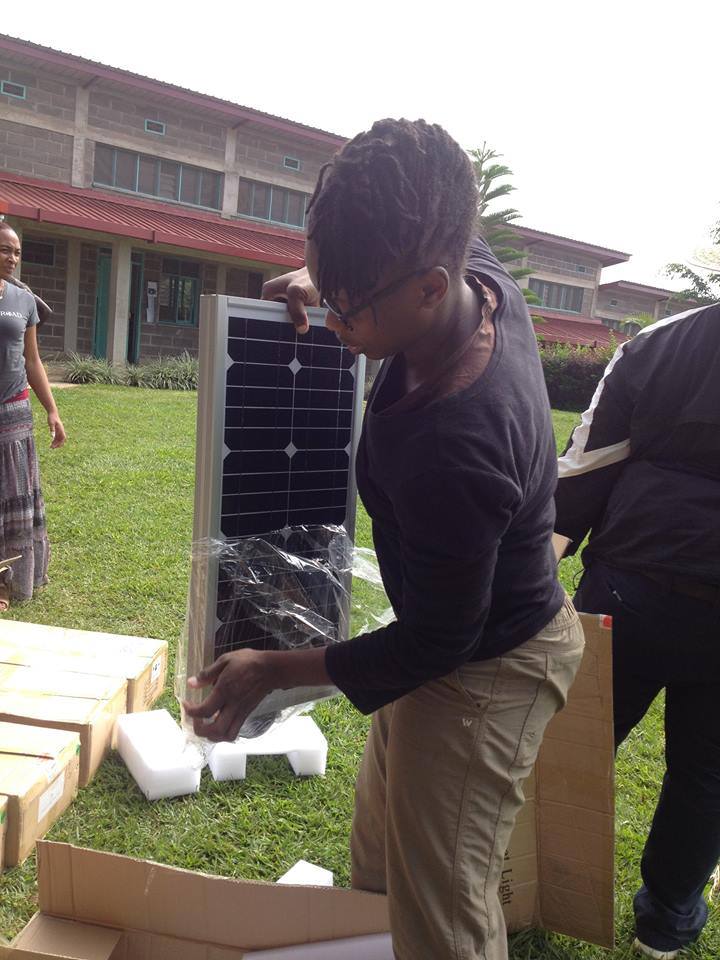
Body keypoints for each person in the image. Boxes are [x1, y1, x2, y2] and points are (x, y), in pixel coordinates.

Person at [185, 119, 585, 960]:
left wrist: (278, 669)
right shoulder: (468, 272)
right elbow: (417, 242)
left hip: (493, 666)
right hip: (443, 638)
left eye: (349, 306)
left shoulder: (456, 444)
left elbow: (443, 639)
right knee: (380, 865)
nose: (333, 322)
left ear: (431, 289)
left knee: (443, 911)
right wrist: (333, 279)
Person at [554, 301, 720, 960]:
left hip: (631, 587)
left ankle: (535, 883)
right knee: (707, 776)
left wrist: (533, 580)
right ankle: (665, 925)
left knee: (572, 744)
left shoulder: (661, 343)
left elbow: (584, 468)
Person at [0, 221, 66, 613]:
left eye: (17, 252)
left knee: (12, 497)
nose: (12, 258)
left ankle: (5, 580)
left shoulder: (24, 299)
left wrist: (52, 410)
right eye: (5, 250)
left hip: (14, 410)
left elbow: (32, 359)